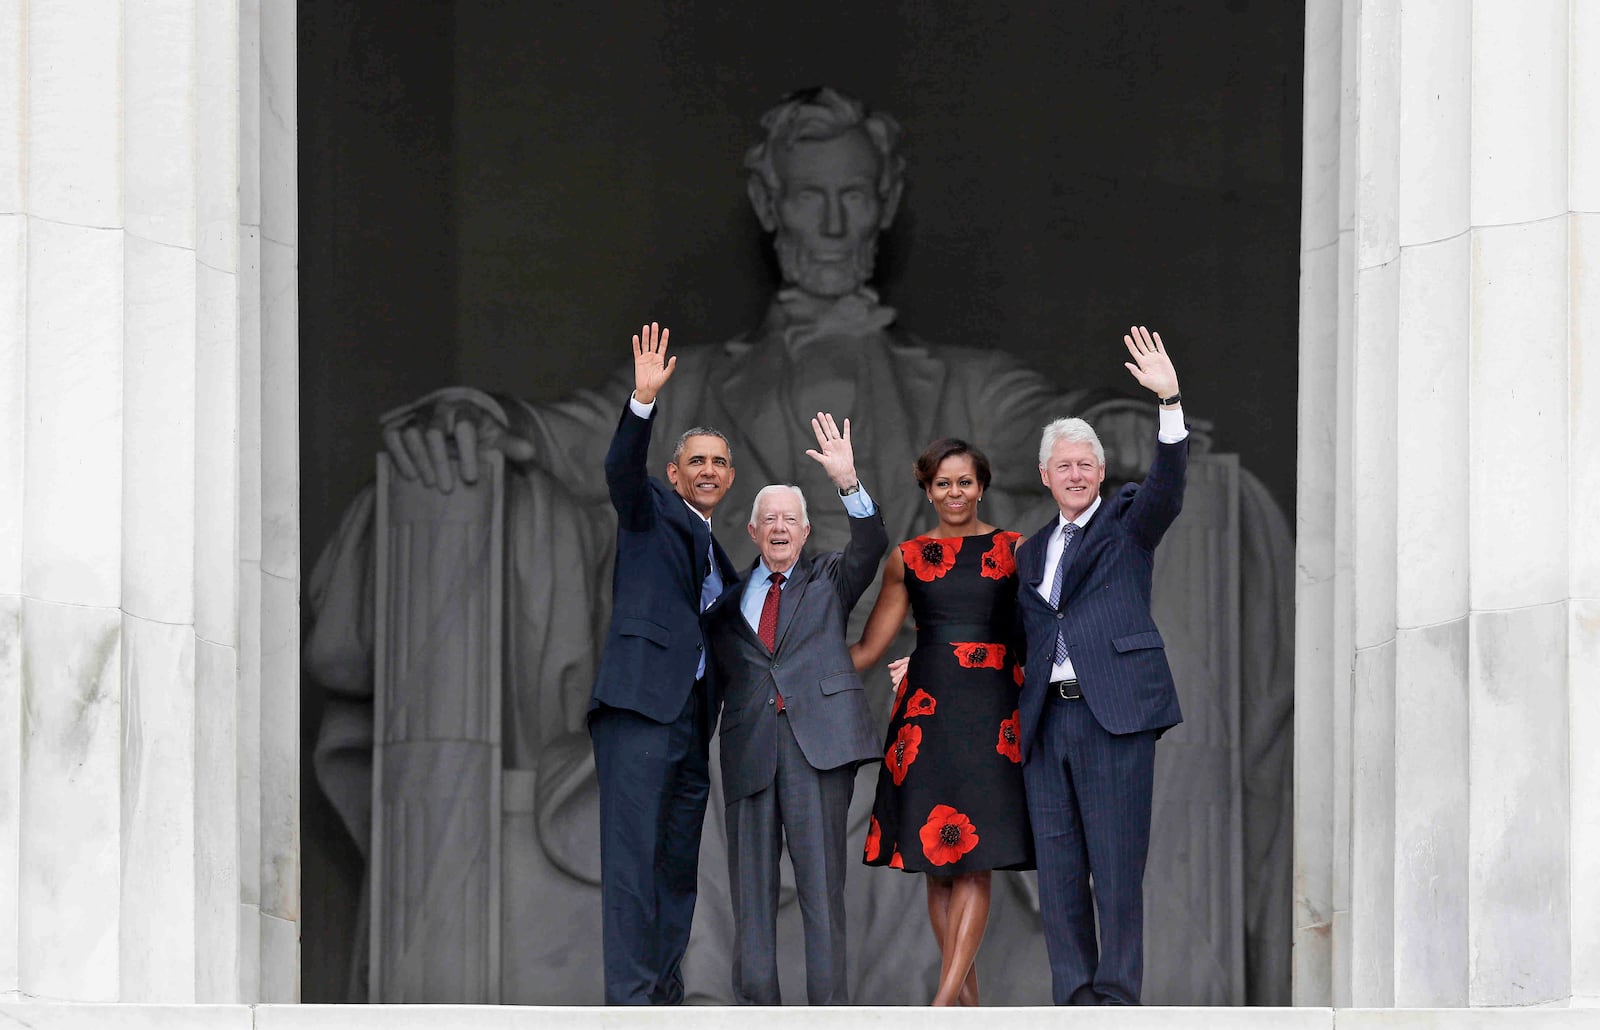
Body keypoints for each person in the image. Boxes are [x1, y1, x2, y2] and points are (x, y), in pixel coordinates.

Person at [303, 85, 1295, 1004]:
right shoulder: (690, 381)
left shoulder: (964, 384)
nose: (830, 223)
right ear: (767, 202)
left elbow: (1061, 428)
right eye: (809, 195)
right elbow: (564, 437)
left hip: (904, 667)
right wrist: (476, 416)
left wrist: (1132, 430)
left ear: (884, 203)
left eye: (852, 196)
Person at [1014, 325, 1187, 1006]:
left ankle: (1116, 999)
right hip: (1046, 723)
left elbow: (1168, 488)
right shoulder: (1030, 553)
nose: (1078, 473)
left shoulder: (1126, 522)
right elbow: (1014, 633)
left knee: (1115, 867)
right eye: (1065, 464)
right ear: (1046, 475)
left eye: (1087, 462)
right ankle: (1074, 998)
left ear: (1101, 469)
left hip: (1112, 713)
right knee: (1058, 872)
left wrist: (1168, 400)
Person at [703, 412, 887, 1005]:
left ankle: (829, 1017)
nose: (780, 528)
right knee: (750, 895)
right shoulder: (726, 604)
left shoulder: (830, 578)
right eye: (769, 520)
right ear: (753, 533)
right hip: (750, 749)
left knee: (821, 889)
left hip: (820, 748)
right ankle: (755, 1013)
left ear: (806, 533)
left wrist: (848, 482)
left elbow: (872, 545)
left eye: (790, 519)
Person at [849, 436, 1033, 1007]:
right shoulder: (904, 558)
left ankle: (939, 1005)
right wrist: (792, 665)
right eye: (943, 483)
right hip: (925, 713)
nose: (955, 492)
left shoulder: (1016, 550)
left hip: (993, 710)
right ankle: (966, 1010)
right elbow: (868, 650)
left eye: (965, 481)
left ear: (982, 486)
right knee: (938, 862)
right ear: (927, 490)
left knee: (976, 858)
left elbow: (1038, 634)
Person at [588, 322, 739, 1004]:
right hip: (641, 705)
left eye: (720, 463)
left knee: (677, 865)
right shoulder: (649, 509)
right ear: (675, 475)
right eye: (696, 461)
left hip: (691, 722)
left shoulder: (726, 562)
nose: (708, 470)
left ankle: (664, 997)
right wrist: (643, 400)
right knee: (631, 860)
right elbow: (622, 467)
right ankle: (630, 1001)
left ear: (729, 479)